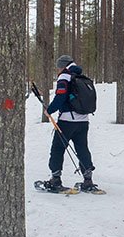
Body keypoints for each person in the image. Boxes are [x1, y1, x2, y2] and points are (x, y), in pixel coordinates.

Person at [39, 55, 100, 193]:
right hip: (83, 121)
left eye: (58, 67)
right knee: (82, 148)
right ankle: (88, 180)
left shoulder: (65, 76)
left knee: (57, 149)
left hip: (67, 121)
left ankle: (55, 179)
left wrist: (49, 111)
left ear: (62, 66)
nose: (57, 70)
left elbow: (61, 96)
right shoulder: (81, 77)